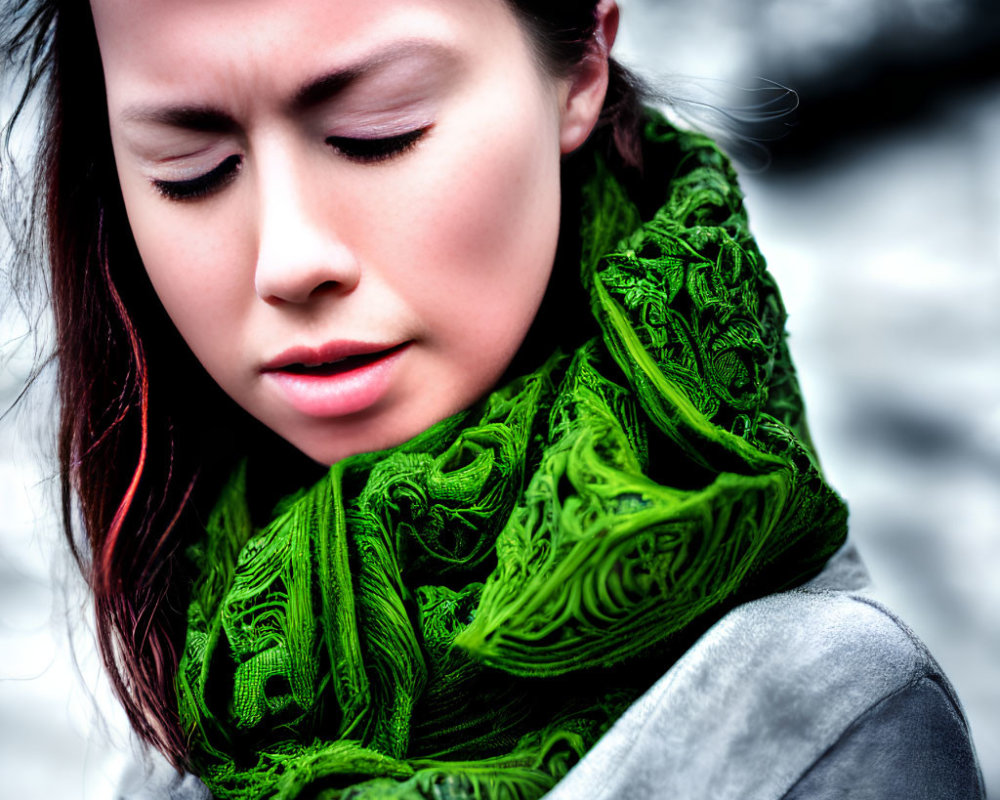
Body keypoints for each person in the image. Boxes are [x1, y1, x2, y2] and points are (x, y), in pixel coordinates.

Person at [0, 0, 985, 798]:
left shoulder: (823, 720)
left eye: (375, 132)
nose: (290, 259)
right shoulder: (206, 695)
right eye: (191, 170)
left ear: (582, 68)